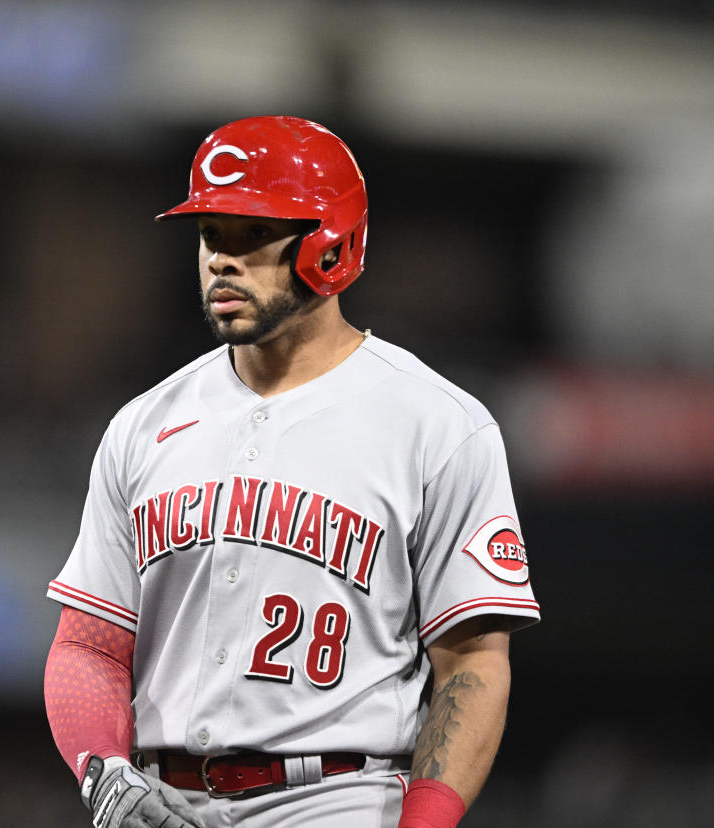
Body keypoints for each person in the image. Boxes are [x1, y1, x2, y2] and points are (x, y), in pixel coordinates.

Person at [43, 115, 540, 828]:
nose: (221, 259)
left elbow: (473, 666)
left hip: (337, 799)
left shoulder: (438, 426)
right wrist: (103, 773)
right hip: (157, 804)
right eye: (211, 234)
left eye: (253, 234)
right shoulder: (144, 426)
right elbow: (89, 641)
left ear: (330, 243)